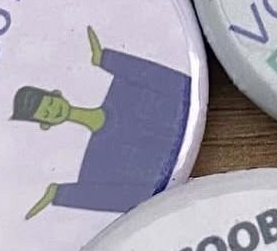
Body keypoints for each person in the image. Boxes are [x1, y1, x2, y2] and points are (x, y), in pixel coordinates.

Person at [12, 25, 192, 219]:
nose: (53, 110)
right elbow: (126, 198)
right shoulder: (97, 165)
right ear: (45, 124)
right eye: (46, 113)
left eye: (50, 103)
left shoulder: (124, 90)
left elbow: (170, 82)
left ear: (57, 94)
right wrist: (60, 194)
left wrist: (107, 59)